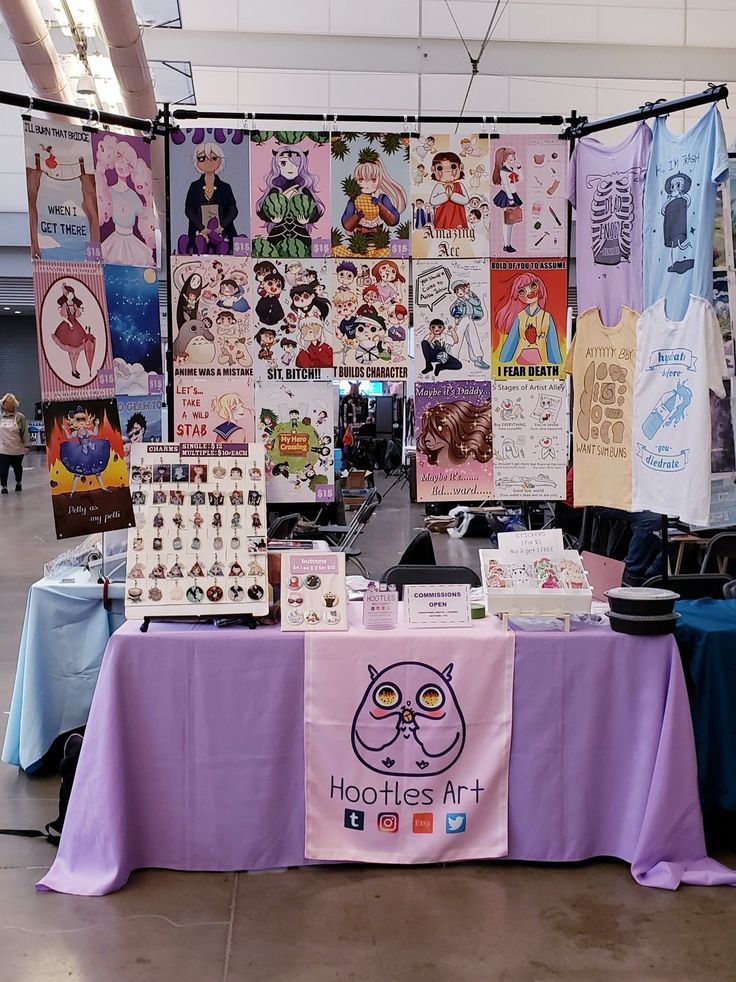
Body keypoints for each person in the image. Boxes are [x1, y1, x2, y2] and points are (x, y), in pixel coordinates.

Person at [0, 393, 28, 493]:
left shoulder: (20, 417)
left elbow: (25, 432)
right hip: (3, 448)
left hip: (17, 449)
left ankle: (18, 482)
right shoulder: (0, 416)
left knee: (17, 468)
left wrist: (27, 445)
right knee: (3, 469)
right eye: (6, 404)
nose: (8, 406)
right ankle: (4, 486)